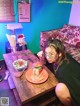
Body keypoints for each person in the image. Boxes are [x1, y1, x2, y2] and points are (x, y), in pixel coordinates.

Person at [37, 38, 80, 106]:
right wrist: (42, 57)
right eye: (46, 53)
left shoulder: (63, 72)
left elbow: (76, 93)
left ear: (59, 53)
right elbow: (46, 60)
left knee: (59, 88)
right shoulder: (63, 55)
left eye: (51, 54)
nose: (48, 57)